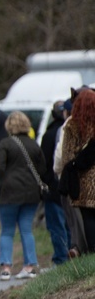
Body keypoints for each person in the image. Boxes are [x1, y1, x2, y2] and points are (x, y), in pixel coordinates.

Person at [0, 110, 45, 279]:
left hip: (9, 193)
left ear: (9, 125)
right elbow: (42, 169)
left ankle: (6, 268)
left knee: (7, 231)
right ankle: (29, 266)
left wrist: (5, 178)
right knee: (26, 229)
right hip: (31, 193)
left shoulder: (5, 144)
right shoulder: (34, 144)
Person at [54, 88, 95, 255]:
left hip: (83, 183)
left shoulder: (72, 125)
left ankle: (91, 254)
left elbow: (66, 156)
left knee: (88, 219)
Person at [39, 101, 71, 265]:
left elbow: (44, 164)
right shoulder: (74, 129)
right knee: (70, 224)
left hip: (54, 186)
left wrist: (48, 182)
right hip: (70, 185)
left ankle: (61, 258)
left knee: (57, 226)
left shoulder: (50, 134)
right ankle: (74, 254)